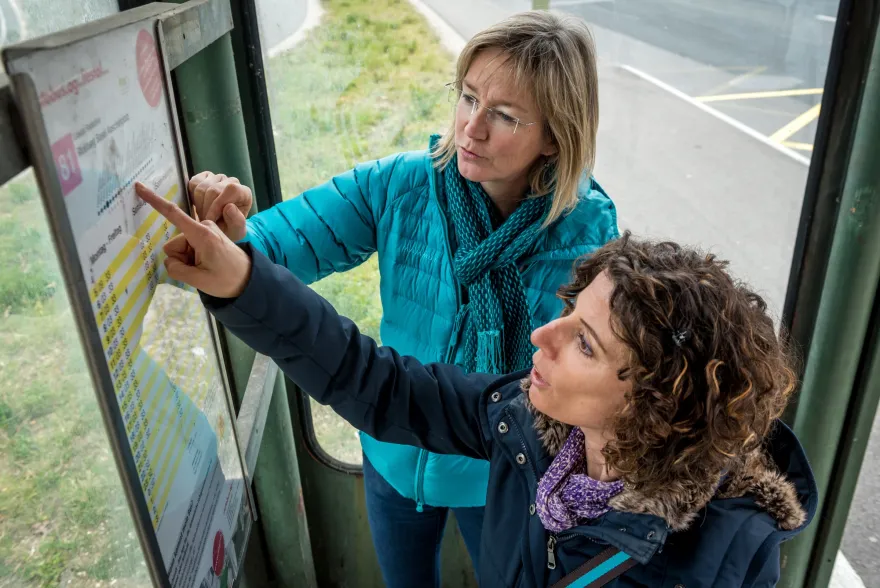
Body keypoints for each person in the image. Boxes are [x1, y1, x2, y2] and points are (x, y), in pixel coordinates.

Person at [135, 180, 818, 587]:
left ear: (655, 403)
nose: (539, 339)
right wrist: (245, 283)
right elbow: (378, 384)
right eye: (567, 316)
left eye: (583, 342)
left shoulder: (718, 561)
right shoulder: (526, 425)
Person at [183, 10, 616, 585]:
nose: (471, 129)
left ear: (556, 135)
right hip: (393, 449)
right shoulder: (404, 184)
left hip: (502, 470)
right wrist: (230, 225)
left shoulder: (587, 231)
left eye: (505, 116)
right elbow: (275, 247)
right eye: (466, 98)